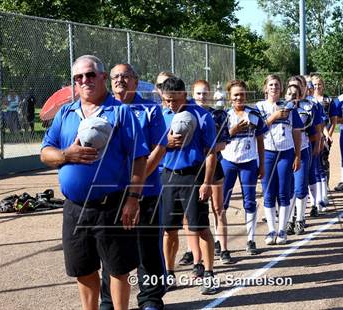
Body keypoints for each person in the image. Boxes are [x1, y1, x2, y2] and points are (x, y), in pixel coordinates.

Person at [40, 55, 149, 310]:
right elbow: (46, 153)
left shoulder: (121, 112)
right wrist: (67, 154)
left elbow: (139, 159)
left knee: (118, 270)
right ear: (75, 83)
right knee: (83, 270)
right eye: (79, 77)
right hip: (75, 207)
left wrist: (133, 199)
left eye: (90, 75)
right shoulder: (65, 113)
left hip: (111, 205)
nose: (85, 80)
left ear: (102, 77)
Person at [98, 64, 167, 310]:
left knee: (148, 248)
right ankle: (108, 300)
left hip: (145, 192)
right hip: (112, 195)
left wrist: (134, 182)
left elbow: (159, 148)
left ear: (136, 82)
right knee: (111, 251)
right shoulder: (103, 110)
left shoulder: (150, 110)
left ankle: (151, 298)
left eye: (126, 76)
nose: (120, 80)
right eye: (115, 76)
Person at [160, 77, 218, 295]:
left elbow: (211, 153)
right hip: (167, 176)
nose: (171, 105)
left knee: (200, 227)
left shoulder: (202, 116)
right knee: (168, 229)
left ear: (184, 94)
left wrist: (207, 182)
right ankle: (168, 274)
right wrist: (166, 143)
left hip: (193, 176)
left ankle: (209, 275)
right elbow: (153, 148)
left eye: (174, 100)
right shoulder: (162, 115)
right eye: (167, 100)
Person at [222, 79, 267, 253]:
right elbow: (219, 140)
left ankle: (251, 240)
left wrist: (262, 164)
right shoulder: (224, 116)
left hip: (248, 162)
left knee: (249, 201)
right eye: (236, 95)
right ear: (229, 97)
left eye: (242, 94)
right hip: (228, 162)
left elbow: (261, 140)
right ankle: (221, 241)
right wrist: (232, 131)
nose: (239, 97)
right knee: (222, 203)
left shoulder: (254, 114)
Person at [190, 79, 232, 264]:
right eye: (198, 93)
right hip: (192, 168)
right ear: (193, 95)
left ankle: (223, 248)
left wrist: (209, 149)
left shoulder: (218, 115)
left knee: (218, 208)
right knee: (191, 213)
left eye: (205, 93)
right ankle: (195, 253)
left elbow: (225, 142)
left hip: (214, 165)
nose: (202, 96)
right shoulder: (186, 113)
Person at [256, 75, 302, 243]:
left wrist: (298, 155)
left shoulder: (289, 106)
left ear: (281, 88)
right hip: (267, 153)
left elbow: (296, 132)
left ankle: (282, 230)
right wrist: (273, 117)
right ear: (265, 88)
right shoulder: (259, 107)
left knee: (284, 192)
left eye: (277, 85)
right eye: (271, 85)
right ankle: (271, 230)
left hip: (286, 152)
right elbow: (257, 130)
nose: (274, 87)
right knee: (268, 192)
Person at [284, 83, 315, 235]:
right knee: (288, 188)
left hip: (301, 151)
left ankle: (300, 218)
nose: (292, 98)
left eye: (295, 95)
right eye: (289, 94)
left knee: (300, 187)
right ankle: (289, 219)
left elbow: (312, 131)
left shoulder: (304, 111)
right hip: (284, 152)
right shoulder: (281, 110)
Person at [311, 75, 336, 206]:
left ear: (323, 85)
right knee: (313, 163)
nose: (317, 87)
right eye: (314, 84)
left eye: (319, 84)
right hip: (314, 134)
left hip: (325, 134)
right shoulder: (309, 100)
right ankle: (315, 190)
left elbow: (333, 119)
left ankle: (324, 185)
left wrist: (328, 135)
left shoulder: (328, 100)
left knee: (323, 160)